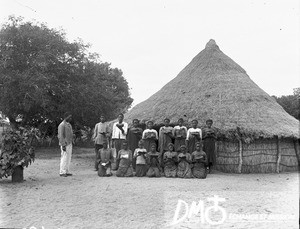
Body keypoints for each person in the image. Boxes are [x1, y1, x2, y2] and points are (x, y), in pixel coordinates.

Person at [57, 112, 73, 177]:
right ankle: (62, 172)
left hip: (69, 143)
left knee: (68, 157)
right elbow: (60, 135)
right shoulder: (62, 125)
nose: (70, 118)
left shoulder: (69, 125)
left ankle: (67, 171)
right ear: (66, 117)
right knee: (64, 157)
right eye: (69, 117)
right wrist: (63, 144)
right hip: (65, 144)